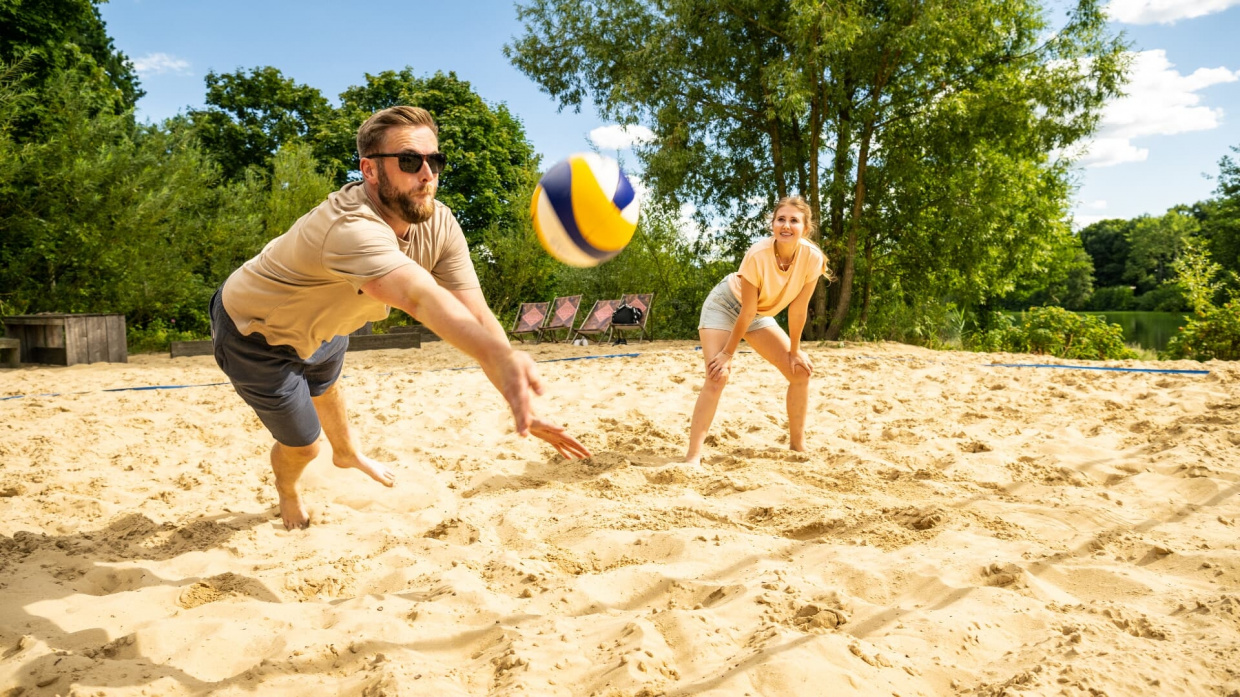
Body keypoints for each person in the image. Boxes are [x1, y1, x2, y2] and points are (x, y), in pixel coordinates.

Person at [211, 106, 591, 530]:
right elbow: (419, 297)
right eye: (410, 162)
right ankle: (288, 490)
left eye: (436, 161)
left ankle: (348, 451)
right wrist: (500, 359)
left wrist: (513, 390)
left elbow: (475, 314)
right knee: (303, 446)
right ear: (369, 170)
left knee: (326, 384)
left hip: (326, 327)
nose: (427, 173)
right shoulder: (350, 227)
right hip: (254, 333)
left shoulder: (441, 223)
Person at [683, 196, 830, 466]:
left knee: (799, 372)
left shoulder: (812, 258)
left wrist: (796, 352)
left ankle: (797, 446)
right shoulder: (757, 254)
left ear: (805, 229)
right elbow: (746, 310)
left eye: (794, 221)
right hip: (725, 306)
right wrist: (728, 354)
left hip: (759, 315)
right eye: (780, 219)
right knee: (718, 376)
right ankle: (693, 456)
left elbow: (798, 310)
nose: (786, 225)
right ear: (772, 224)